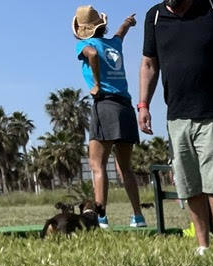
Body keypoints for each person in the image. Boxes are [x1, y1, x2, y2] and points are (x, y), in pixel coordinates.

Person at [139, 0, 213, 253]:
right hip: (177, 117)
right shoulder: (154, 17)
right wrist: (143, 104)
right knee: (189, 184)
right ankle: (203, 246)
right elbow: (149, 64)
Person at [74, 6, 147, 228]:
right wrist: (127, 23)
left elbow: (93, 54)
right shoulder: (114, 43)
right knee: (125, 168)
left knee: (97, 165)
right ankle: (138, 216)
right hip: (125, 107)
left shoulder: (86, 45)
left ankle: (101, 217)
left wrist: (96, 83)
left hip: (104, 105)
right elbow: (121, 33)